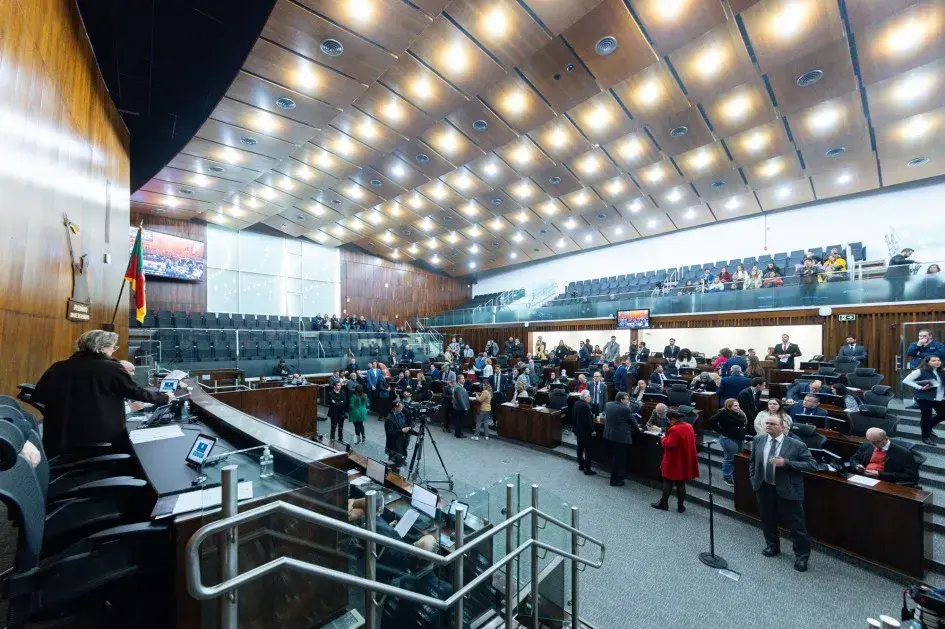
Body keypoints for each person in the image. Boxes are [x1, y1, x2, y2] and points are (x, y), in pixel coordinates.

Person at [34, 330, 172, 459]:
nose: (114, 350)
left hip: (59, 439)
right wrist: (165, 398)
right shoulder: (111, 368)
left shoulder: (58, 367)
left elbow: (39, 395)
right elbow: (135, 392)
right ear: (101, 348)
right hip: (98, 438)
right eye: (113, 347)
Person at [749, 414, 818, 572]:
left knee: (797, 526)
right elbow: (753, 462)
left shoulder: (796, 444)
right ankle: (772, 546)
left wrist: (786, 462)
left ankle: (801, 557)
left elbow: (812, 465)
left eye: (772, 424)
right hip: (765, 487)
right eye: (767, 423)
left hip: (788, 489)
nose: (768, 426)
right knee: (768, 520)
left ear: (782, 427)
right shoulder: (759, 440)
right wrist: (754, 480)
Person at [651, 410, 699, 513]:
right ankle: (680, 506)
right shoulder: (688, 426)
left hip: (674, 460)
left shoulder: (675, 429)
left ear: (672, 419)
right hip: (685, 459)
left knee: (668, 482)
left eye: (668, 420)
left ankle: (663, 503)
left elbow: (669, 444)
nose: (668, 422)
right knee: (681, 483)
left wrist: (663, 438)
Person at [850, 428, 919, 484]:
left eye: (875, 442)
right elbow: (854, 458)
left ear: (885, 439)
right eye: (870, 441)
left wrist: (880, 474)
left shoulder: (903, 453)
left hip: (885, 482)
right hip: (863, 477)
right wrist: (856, 465)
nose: (872, 445)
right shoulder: (867, 445)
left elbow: (912, 476)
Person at [903, 355, 945, 445]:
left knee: (943, 414)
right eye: (934, 360)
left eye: (938, 360)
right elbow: (906, 380)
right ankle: (926, 437)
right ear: (927, 362)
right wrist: (920, 387)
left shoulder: (942, 371)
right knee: (926, 416)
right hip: (924, 397)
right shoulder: (920, 371)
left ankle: (928, 427)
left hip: (940, 397)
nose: (937, 362)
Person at [603, 392, 640, 486]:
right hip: (620, 437)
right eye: (627, 399)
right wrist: (639, 430)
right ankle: (614, 480)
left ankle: (617, 477)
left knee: (615, 458)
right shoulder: (625, 408)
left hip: (609, 435)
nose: (628, 401)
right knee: (618, 459)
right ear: (621, 399)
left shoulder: (608, 404)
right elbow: (633, 422)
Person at [711, 398, 748, 486]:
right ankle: (727, 477)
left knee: (739, 457)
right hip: (728, 438)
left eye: (738, 405)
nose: (738, 407)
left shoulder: (740, 413)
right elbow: (712, 421)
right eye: (735, 406)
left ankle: (735, 475)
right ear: (729, 406)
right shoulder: (723, 413)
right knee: (730, 458)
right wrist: (719, 430)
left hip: (740, 438)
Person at [574, 390, 597, 475]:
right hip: (585, 432)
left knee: (579, 448)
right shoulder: (585, 406)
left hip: (579, 430)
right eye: (589, 396)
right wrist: (592, 430)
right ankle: (587, 469)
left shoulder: (577, 403)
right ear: (585, 397)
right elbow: (588, 420)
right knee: (588, 451)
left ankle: (581, 465)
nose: (590, 398)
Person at [384, 401, 411, 468]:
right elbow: (389, 433)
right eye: (400, 407)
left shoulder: (401, 415)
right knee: (392, 464)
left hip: (400, 443)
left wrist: (415, 433)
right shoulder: (389, 419)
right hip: (393, 445)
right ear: (395, 408)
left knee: (397, 462)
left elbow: (404, 425)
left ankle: (394, 470)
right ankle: (390, 474)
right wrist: (402, 430)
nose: (402, 409)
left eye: (402, 407)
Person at [452, 374, 470, 438]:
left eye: (464, 378)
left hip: (459, 407)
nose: (464, 379)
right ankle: (458, 434)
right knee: (459, 421)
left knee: (459, 421)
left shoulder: (460, 386)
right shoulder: (458, 387)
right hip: (460, 407)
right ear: (459, 380)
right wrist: (464, 407)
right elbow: (460, 399)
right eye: (462, 378)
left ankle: (458, 432)